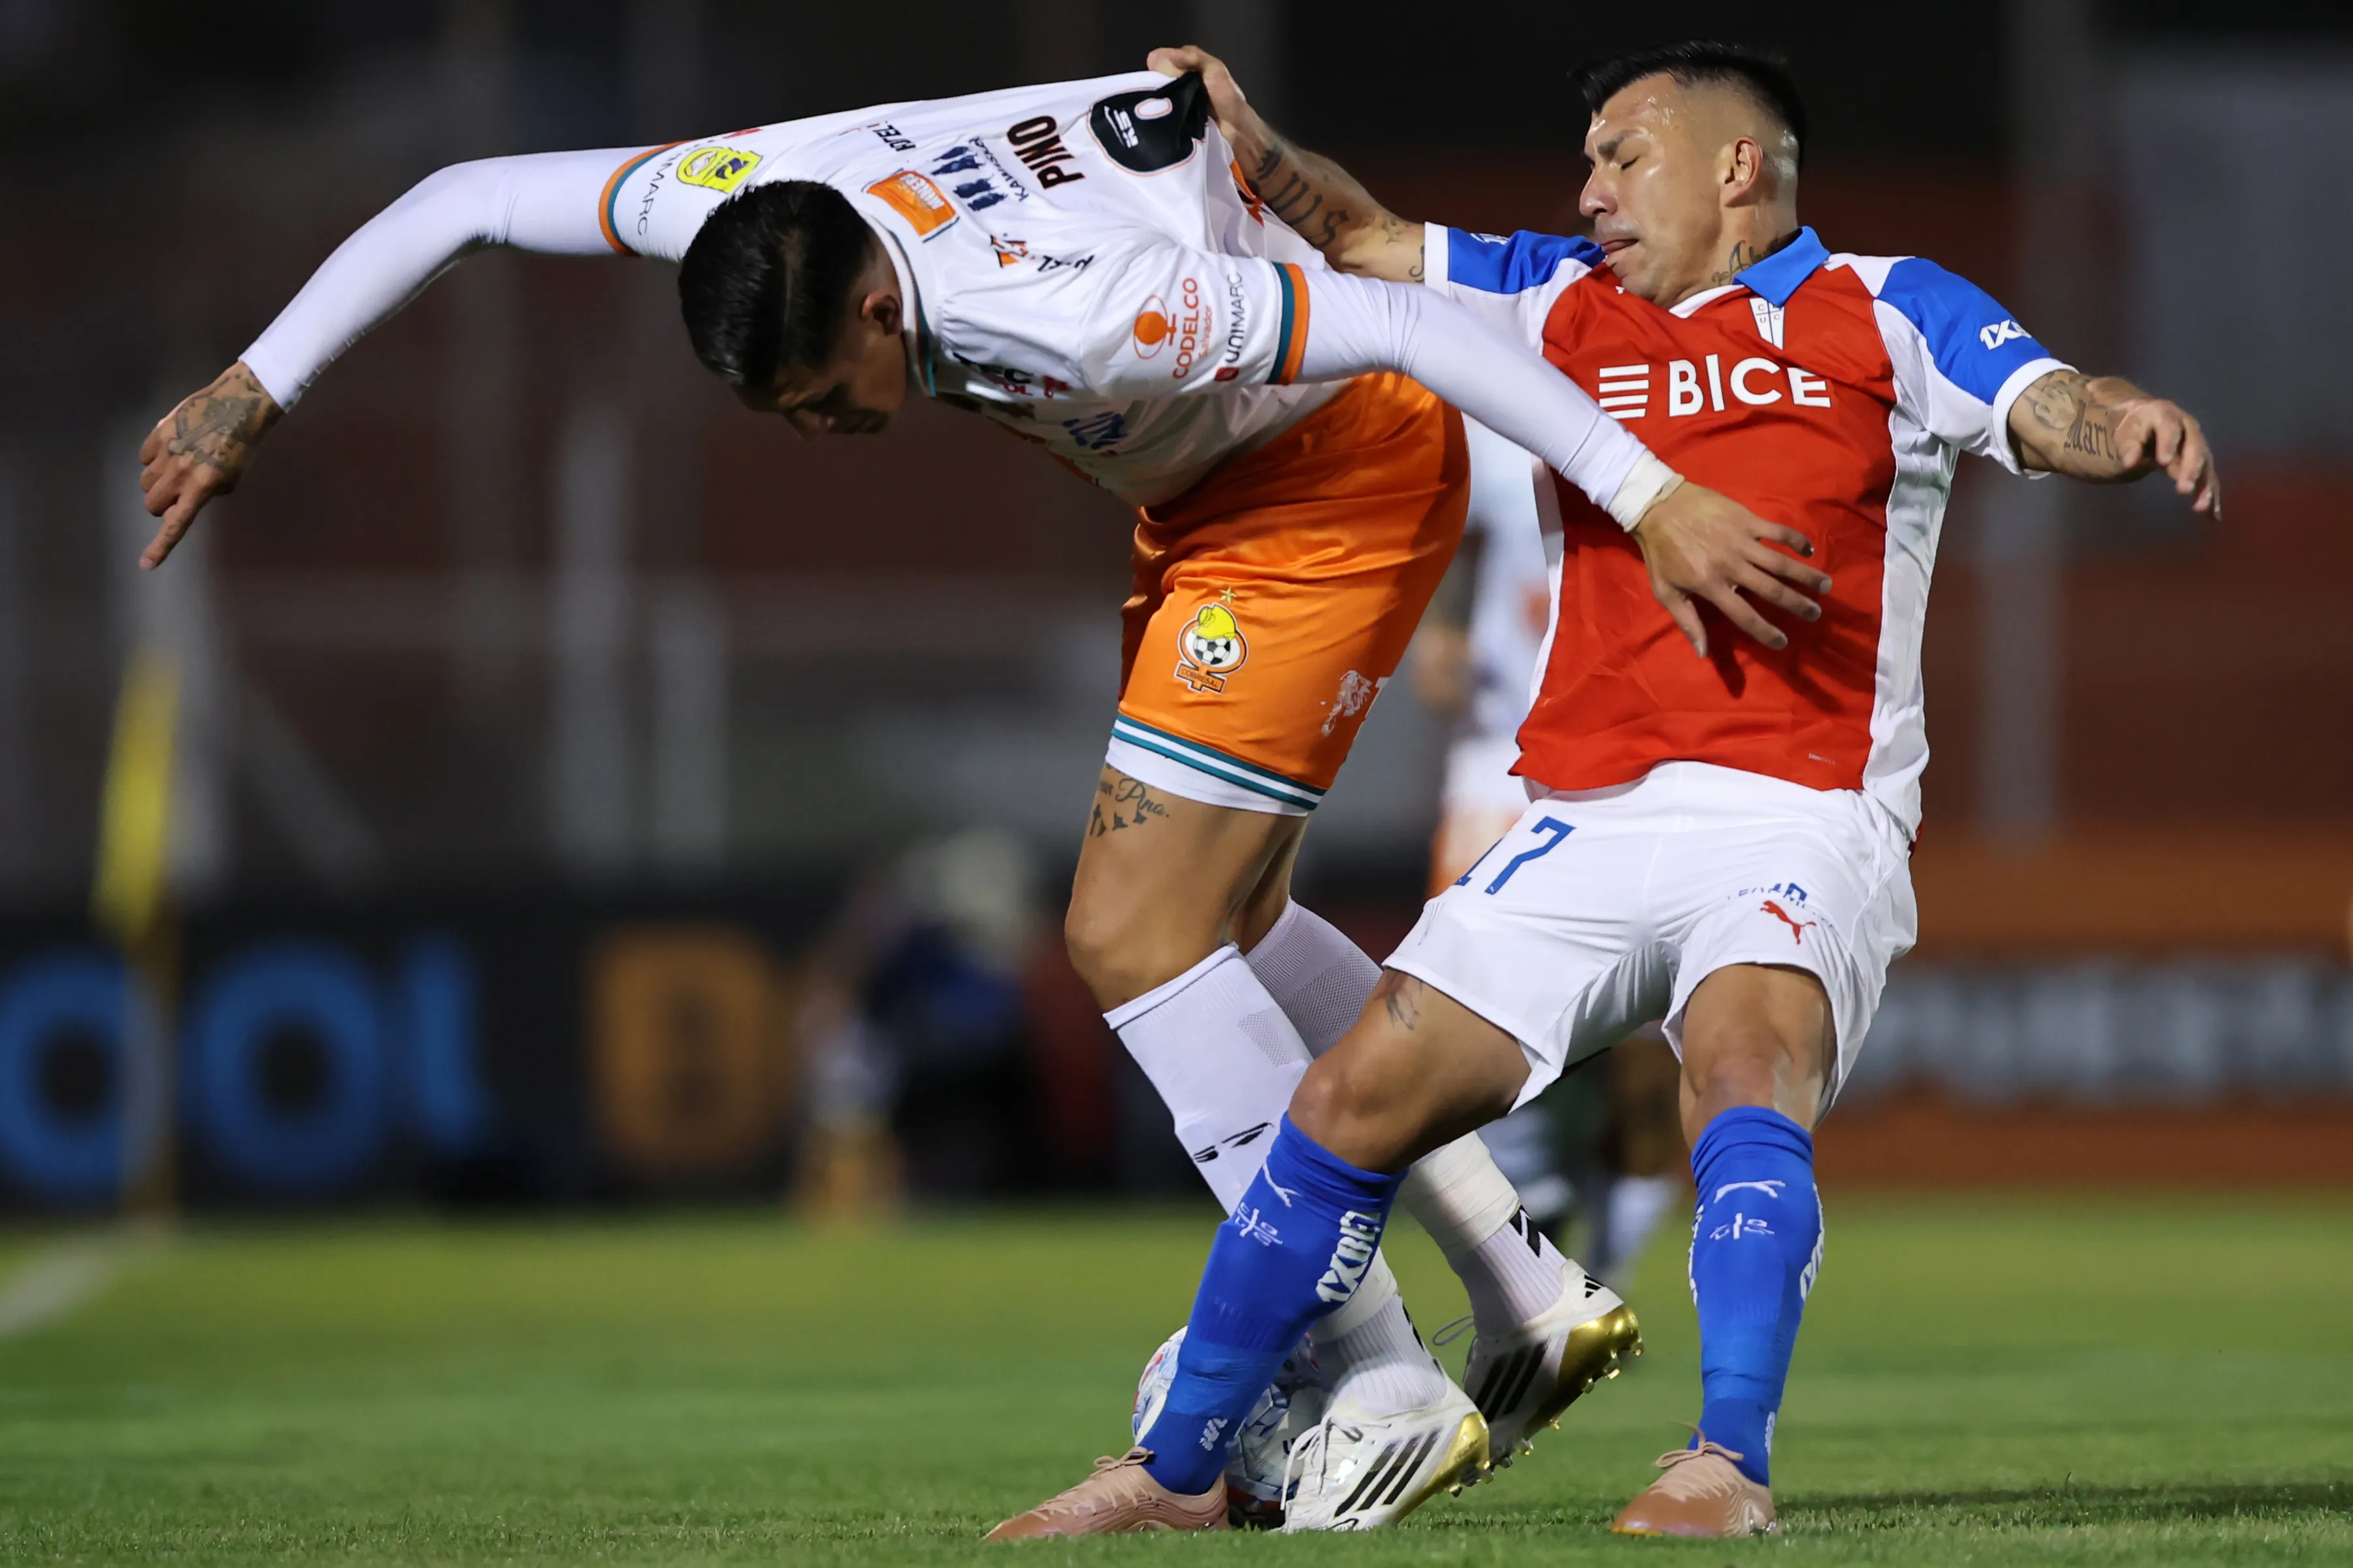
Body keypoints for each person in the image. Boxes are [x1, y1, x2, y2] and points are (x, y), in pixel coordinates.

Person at [134, 68, 1825, 1528]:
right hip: (1210, 490)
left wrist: (1646, 490)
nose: (816, 432)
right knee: (1224, 921)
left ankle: (1368, 1375)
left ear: (879, 309)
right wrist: (254, 386)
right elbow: (465, 197)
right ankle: (1517, 1281)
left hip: (1328, 467)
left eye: (818, 399)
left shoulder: (1077, 301)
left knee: (1127, 930)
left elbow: (1394, 324)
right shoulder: (740, 199)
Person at [993, 40, 2217, 1538]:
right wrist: (1249, 142)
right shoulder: (1556, 296)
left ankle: (1724, 1462)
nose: (1588, 189)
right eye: (1584, 162)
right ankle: (1180, 1475)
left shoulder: (1885, 308)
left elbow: (2035, 401)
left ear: (1735, 170)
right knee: (1346, 1098)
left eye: (1619, 156)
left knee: (1738, 1072)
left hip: (1797, 806)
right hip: (1578, 816)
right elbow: (1364, 238)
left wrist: (2119, 424)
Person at [1414, 421, 1684, 1289]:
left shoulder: (1670, 397)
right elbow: (1459, 529)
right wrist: (1443, 628)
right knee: (1470, 994)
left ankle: (1619, 1224)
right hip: (1499, 755)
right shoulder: (1496, 416)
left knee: (1640, 1028)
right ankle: (1531, 1208)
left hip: (1633, 755)